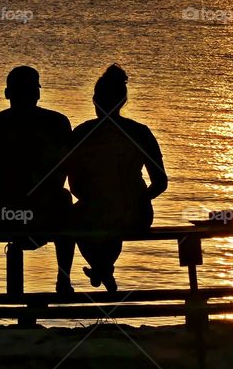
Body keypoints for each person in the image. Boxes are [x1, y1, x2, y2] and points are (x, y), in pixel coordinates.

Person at [0, 66, 74, 295]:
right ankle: (63, 281)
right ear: (38, 94)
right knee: (64, 199)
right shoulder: (58, 123)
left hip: (3, 216)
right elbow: (62, 176)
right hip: (46, 216)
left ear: (7, 94)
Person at [67, 65, 168, 292]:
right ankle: (103, 268)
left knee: (76, 216)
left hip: (97, 212)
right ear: (123, 101)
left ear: (94, 100)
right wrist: (139, 198)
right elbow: (161, 182)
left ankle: (100, 268)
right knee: (109, 218)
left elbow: (75, 187)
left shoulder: (82, 133)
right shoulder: (141, 132)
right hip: (136, 214)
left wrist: (100, 198)